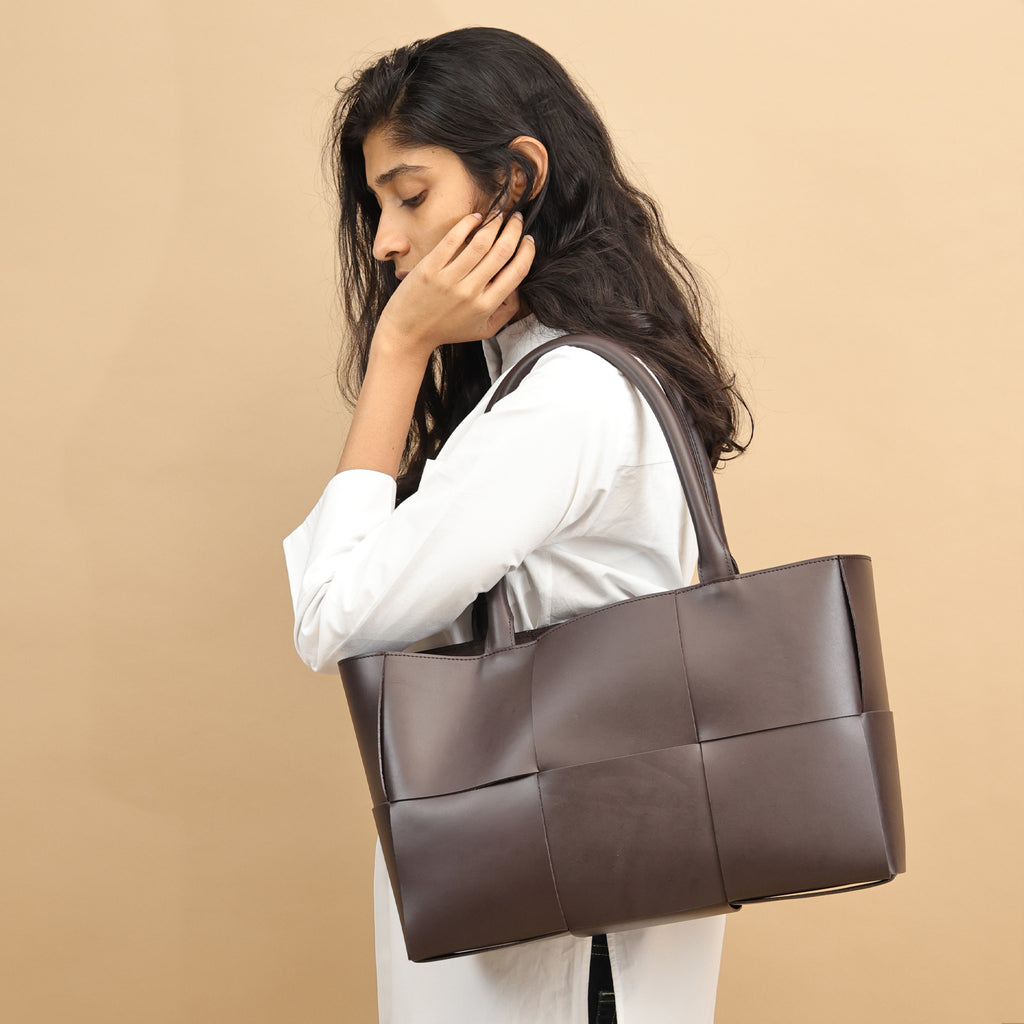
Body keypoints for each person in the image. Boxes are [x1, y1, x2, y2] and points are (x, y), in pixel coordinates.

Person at [283, 26, 750, 1024]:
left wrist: (398, 350)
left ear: (517, 178)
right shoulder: (560, 379)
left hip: (562, 928)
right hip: (575, 895)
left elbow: (333, 615)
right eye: (377, 207)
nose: (386, 241)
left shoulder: (563, 399)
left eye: (410, 196)